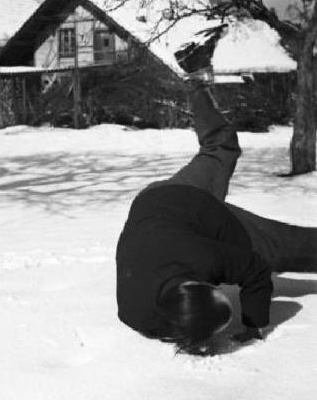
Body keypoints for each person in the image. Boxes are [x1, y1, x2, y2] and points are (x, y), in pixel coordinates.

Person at [116, 26, 317, 354]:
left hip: (189, 206)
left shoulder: (204, 259)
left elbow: (255, 272)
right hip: (154, 200)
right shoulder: (133, 312)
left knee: (283, 248)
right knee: (220, 145)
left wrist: (253, 323)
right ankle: (195, 79)